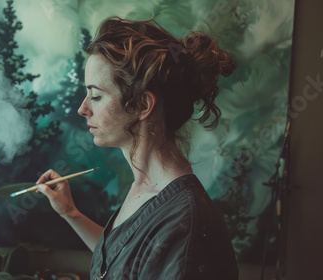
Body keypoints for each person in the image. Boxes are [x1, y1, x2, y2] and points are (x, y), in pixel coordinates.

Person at [35, 16, 238, 279]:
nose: (82, 109)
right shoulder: (144, 187)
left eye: (96, 96)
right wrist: (71, 213)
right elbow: (125, 262)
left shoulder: (185, 227)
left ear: (143, 105)